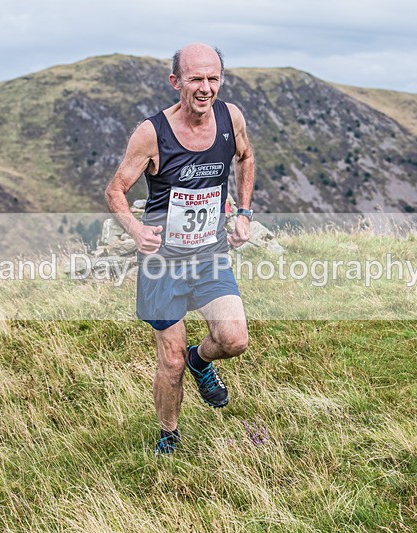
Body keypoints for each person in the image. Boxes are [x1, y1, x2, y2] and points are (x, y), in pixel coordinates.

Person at [104, 43, 255, 454]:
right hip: (162, 264)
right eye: (195, 79)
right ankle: (168, 433)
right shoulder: (152, 133)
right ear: (176, 82)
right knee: (169, 363)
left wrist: (244, 212)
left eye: (213, 78)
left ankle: (201, 360)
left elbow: (245, 157)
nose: (205, 88)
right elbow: (116, 189)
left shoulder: (230, 117)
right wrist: (136, 230)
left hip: (209, 255)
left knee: (234, 339)